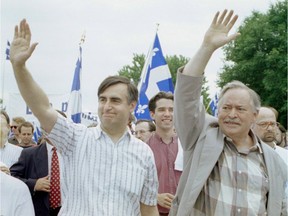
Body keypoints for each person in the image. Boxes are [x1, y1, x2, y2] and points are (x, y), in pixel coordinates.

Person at [9, 19, 158, 216]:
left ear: (132, 105)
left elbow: (148, 209)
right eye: (102, 99)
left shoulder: (144, 153)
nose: (107, 106)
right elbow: (42, 108)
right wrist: (19, 67)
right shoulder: (76, 138)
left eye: (115, 100)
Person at [170, 10, 288, 215]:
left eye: (240, 109)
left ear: (254, 115)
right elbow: (186, 96)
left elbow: (278, 207)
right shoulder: (200, 137)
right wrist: (207, 48)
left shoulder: (274, 161)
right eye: (226, 107)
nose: (231, 114)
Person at [146, 92, 182, 215]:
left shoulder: (187, 146)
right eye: (161, 110)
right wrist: (155, 196)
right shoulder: (144, 148)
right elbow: (135, 183)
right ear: (152, 114)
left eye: (171, 110)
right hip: (154, 211)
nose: (167, 114)